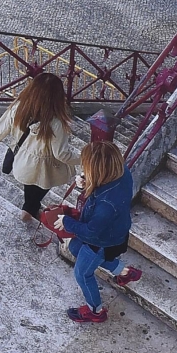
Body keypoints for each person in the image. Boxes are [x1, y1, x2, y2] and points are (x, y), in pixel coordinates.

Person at [58, 139, 142, 324]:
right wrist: (87, 183)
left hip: (100, 241)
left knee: (82, 274)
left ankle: (95, 311)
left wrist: (67, 222)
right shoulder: (122, 172)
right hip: (115, 231)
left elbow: (90, 232)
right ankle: (125, 272)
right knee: (75, 248)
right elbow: (103, 186)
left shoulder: (105, 206)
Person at [0, 72, 79, 242]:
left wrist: (0, 137)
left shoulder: (19, 107)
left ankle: (28, 208)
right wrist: (84, 158)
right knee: (40, 188)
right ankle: (29, 209)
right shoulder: (56, 123)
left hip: (23, 163)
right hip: (45, 169)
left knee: (28, 185)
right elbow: (62, 154)